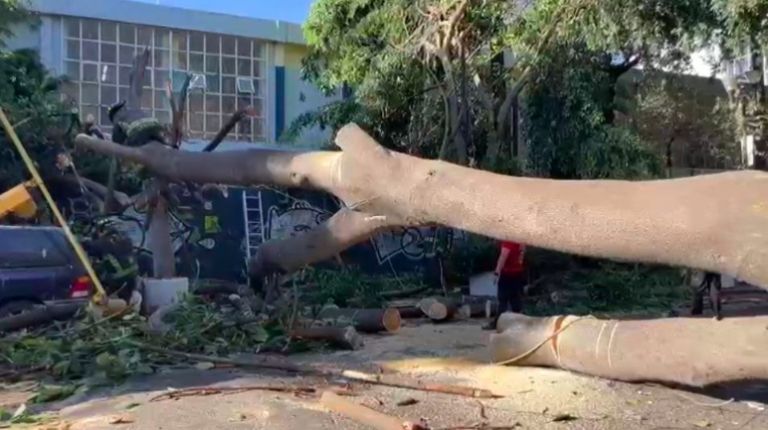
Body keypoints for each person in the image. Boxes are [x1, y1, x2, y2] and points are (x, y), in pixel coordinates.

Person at [483, 240, 527, 330]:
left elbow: (503, 256)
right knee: (516, 300)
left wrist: (496, 273)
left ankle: (497, 323)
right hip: (518, 273)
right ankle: (519, 323)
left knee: (502, 300)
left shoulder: (508, 242)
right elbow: (522, 252)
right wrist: (519, 263)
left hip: (507, 274)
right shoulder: (520, 241)